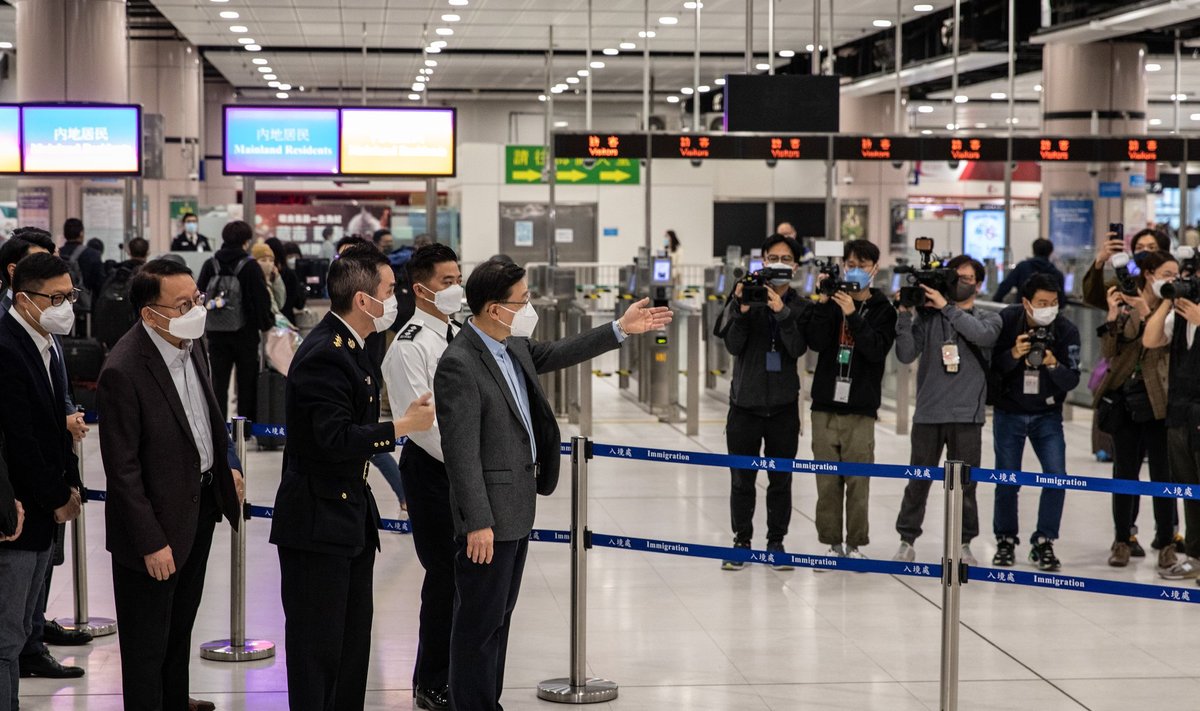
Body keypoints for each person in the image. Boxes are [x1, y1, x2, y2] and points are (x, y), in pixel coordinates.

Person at [435, 259, 671, 711]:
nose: (528, 308)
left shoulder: (512, 345)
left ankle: (488, 702)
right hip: (489, 520)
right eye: (521, 301)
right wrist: (477, 523)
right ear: (492, 308)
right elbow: (461, 454)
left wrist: (620, 328)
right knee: (478, 626)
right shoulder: (460, 364)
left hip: (518, 508)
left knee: (499, 620)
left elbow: (559, 352)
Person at [269, 244, 435, 711]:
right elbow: (332, 438)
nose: (394, 297)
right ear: (364, 300)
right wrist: (400, 427)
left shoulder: (355, 345)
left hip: (347, 516)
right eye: (388, 289)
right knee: (318, 648)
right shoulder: (326, 352)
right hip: (317, 517)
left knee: (350, 644)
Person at [97, 258, 246, 711]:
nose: (195, 309)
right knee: (147, 645)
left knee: (179, 629)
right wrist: (150, 542)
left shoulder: (190, 343)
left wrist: (230, 464)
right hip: (154, 530)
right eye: (183, 304)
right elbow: (122, 471)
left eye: (196, 299)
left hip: (197, 508)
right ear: (149, 313)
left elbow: (209, 418)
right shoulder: (124, 370)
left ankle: (175, 702)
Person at [0, 231, 94, 678]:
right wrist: (56, 496)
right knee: (6, 636)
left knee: (22, 627)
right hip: (18, 511)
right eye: (55, 297)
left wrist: (71, 484)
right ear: (23, 299)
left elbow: (58, 425)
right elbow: (21, 439)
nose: (66, 306)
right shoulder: (6, 348)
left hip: (47, 508)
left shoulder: (47, 344)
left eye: (69, 295)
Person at [381, 243, 463, 711]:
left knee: (464, 579)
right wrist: (470, 460)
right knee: (444, 577)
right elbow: (425, 427)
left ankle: (454, 673)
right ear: (420, 288)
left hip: (460, 468)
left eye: (458, 279)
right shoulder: (410, 346)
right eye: (446, 281)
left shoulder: (454, 331)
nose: (456, 288)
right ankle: (431, 682)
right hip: (434, 471)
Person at [893, 255, 1002, 566]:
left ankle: (964, 543)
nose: (960, 283)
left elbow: (982, 336)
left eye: (967, 278)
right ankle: (906, 539)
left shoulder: (989, 318)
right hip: (928, 413)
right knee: (918, 481)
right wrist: (904, 315)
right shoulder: (927, 319)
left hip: (967, 415)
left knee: (966, 485)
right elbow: (904, 354)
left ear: (978, 284)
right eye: (956, 278)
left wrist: (946, 307)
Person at [717, 234, 810, 569]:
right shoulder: (746, 296)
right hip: (744, 404)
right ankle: (741, 541)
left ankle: (776, 542)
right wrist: (742, 308)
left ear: (796, 265)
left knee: (780, 480)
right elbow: (732, 345)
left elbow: (799, 348)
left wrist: (782, 312)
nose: (779, 264)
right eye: (773, 258)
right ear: (762, 261)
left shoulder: (800, 306)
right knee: (741, 479)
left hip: (784, 407)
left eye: (786, 259)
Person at [805, 239, 897, 558]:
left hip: (861, 407)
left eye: (863, 264)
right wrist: (823, 301)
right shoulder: (831, 302)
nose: (855, 270)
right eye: (851, 264)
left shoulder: (884, 310)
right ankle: (831, 543)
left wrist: (853, 315)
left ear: (875, 268)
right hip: (825, 405)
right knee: (827, 484)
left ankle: (856, 544)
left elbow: (874, 351)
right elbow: (815, 343)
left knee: (859, 483)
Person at [990, 273, 1082, 571]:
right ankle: (1005, 538)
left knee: (1056, 477)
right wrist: (1014, 354)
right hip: (1009, 411)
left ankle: (1044, 540)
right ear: (1026, 303)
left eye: (1054, 303)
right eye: (1042, 303)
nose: (1049, 308)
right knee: (1006, 480)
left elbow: (1072, 379)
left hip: (1047, 414)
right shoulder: (1007, 321)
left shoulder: (1066, 330)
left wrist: (1053, 364)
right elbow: (992, 369)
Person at [1094, 251, 1176, 568]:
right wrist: (1114, 316)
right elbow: (1109, 352)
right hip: (1126, 400)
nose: (1171, 280)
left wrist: (1147, 311)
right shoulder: (1128, 303)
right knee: (1124, 474)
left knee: (1162, 476)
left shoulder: (1175, 306)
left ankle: (1167, 541)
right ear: (1148, 274)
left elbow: (1166, 346)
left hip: (1161, 402)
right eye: (1166, 273)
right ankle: (1122, 539)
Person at [1144, 254, 1200, 581]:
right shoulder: (1180, 315)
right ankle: (1194, 555)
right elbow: (1151, 340)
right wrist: (1166, 302)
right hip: (1179, 413)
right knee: (1189, 489)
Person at [196, 221, 274, 420]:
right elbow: (260, 300)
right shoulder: (250, 266)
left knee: (218, 382)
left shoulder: (210, 264)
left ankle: (219, 426)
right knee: (247, 382)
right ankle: (244, 428)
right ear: (246, 242)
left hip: (216, 334)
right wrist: (266, 324)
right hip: (245, 334)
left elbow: (199, 296)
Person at [1082, 228, 1170, 311]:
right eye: (1139, 248)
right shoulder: (1128, 283)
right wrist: (1099, 261)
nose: (1144, 251)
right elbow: (1093, 298)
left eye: (1151, 248)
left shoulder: (1170, 282)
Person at [992, 238, 1064, 302]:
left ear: (1033, 251)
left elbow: (1005, 286)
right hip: (1048, 315)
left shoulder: (1023, 267)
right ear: (1050, 252)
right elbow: (1061, 300)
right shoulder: (1057, 274)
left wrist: (996, 300)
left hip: (1022, 312)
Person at [58, 218, 105, 302]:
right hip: (85, 305)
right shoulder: (93, 254)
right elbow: (99, 285)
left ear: (65, 234)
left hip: (61, 302)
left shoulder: (57, 254)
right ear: (81, 233)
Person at [266, 237, 305, 325]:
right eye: (290, 256)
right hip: (286, 323)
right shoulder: (290, 275)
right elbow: (299, 303)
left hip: (268, 324)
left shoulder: (261, 275)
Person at [252, 243, 288, 317]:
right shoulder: (253, 282)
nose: (268, 263)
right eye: (263, 260)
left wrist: (277, 279)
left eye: (271, 260)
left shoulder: (272, 281)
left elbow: (280, 304)